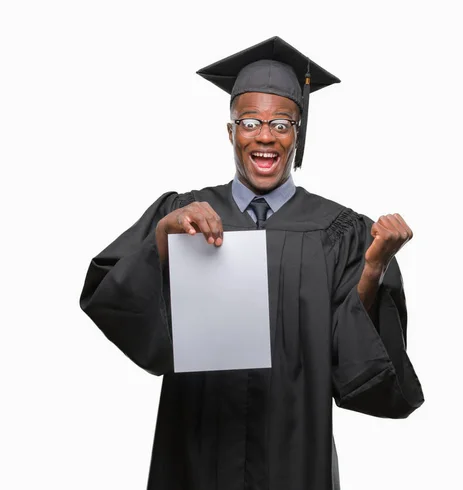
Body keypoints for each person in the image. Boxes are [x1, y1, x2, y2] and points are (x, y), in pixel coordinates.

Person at [80, 36, 424, 490]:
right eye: (250, 122)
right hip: (196, 446)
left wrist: (374, 268)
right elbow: (115, 303)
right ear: (231, 132)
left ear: (297, 135)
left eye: (282, 124)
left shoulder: (340, 231)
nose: (265, 135)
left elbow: (353, 365)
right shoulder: (183, 212)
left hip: (294, 452)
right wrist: (162, 241)